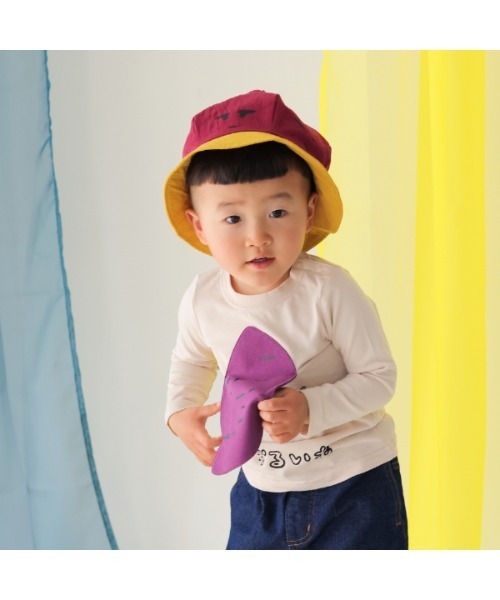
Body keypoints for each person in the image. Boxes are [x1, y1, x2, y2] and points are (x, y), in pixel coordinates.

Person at [163, 89, 408, 550]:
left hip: (354, 486)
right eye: (232, 219)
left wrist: (310, 408)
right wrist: (179, 413)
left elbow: (379, 377)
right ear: (199, 225)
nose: (258, 236)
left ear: (308, 210)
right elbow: (191, 360)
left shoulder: (330, 290)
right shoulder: (202, 299)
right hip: (260, 491)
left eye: (277, 212)